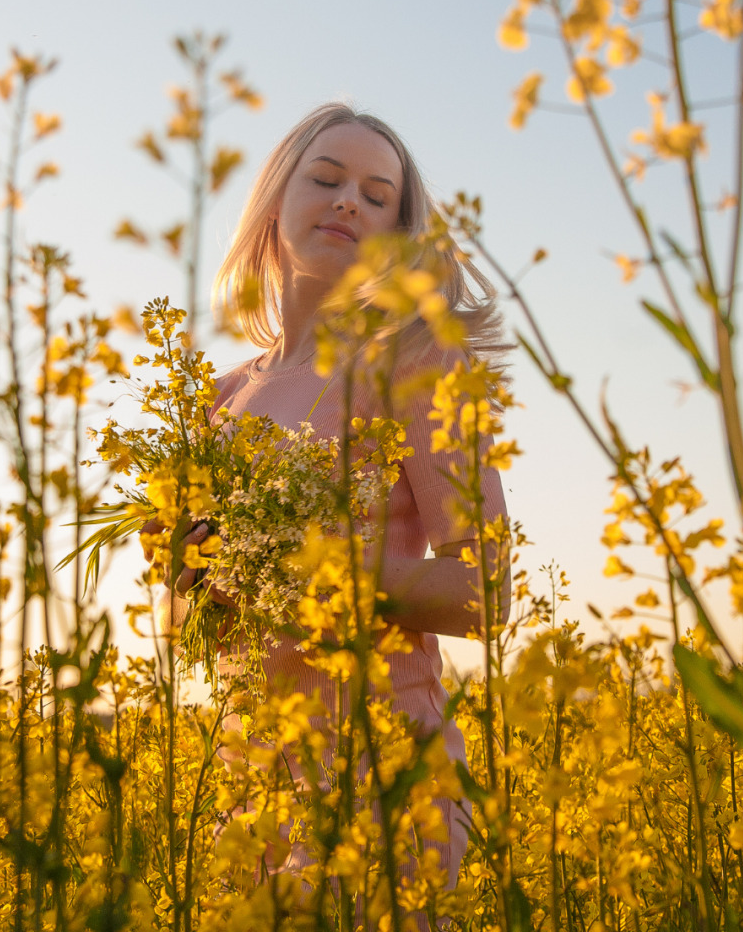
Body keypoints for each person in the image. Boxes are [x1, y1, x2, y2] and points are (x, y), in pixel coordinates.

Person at [168, 101, 510, 895]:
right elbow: (191, 619)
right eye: (324, 178)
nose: (347, 199)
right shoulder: (214, 398)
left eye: (375, 193)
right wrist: (191, 576)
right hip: (248, 783)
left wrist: (320, 579)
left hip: (386, 775)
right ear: (274, 201)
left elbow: (487, 592)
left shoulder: (420, 362)